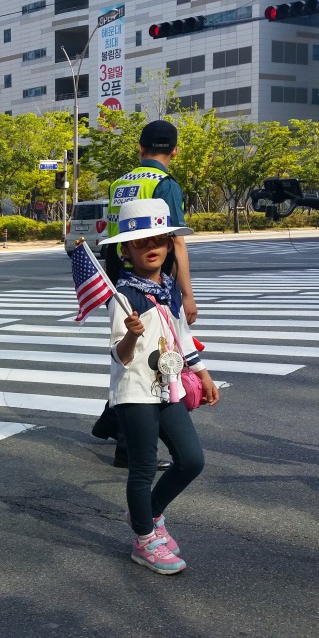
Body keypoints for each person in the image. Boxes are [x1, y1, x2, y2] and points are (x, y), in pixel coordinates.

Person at [98, 198, 219, 575]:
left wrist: (202, 373)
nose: (151, 248)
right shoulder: (122, 295)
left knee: (192, 459)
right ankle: (144, 540)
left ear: (169, 245)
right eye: (141, 242)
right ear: (126, 250)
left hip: (168, 386)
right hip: (135, 392)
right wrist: (132, 335)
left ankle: (148, 514)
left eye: (160, 240)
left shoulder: (168, 288)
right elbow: (119, 355)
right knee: (144, 466)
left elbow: (181, 336)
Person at [93, 119, 197, 469]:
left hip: (118, 278)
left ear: (140, 148)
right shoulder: (166, 184)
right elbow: (175, 241)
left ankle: (110, 422)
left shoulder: (120, 183)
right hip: (152, 284)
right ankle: (128, 448)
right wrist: (186, 294)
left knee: (132, 354)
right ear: (175, 152)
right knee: (151, 358)